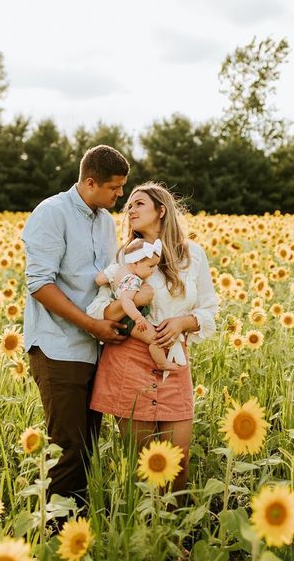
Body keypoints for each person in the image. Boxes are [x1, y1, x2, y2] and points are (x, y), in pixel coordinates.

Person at [22, 145, 152, 507]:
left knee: (88, 444)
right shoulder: (51, 214)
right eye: (115, 187)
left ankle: (75, 526)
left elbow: (108, 280)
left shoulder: (103, 222)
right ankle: (54, 533)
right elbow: (40, 284)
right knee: (67, 446)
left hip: (96, 349)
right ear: (90, 182)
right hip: (58, 346)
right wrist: (93, 326)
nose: (121, 195)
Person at [87, 182, 218, 493]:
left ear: (161, 210)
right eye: (128, 205)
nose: (130, 209)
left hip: (174, 360)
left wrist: (183, 322)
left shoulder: (192, 255)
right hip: (129, 362)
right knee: (142, 466)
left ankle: (174, 539)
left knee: (178, 463)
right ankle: (145, 538)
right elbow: (97, 310)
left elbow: (210, 310)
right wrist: (131, 304)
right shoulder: (123, 257)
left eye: (139, 204)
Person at [95, 237, 178, 372]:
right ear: (135, 263)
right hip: (129, 319)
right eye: (150, 266)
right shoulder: (132, 280)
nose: (152, 271)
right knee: (154, 339)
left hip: (124, 316)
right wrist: (138, 318)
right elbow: (126, 301)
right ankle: (163, 364)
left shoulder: (118, 270)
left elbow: (99, 280)